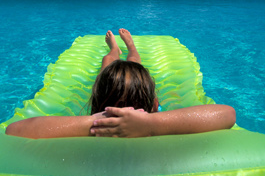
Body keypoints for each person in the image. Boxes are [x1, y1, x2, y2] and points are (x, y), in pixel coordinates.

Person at [5, 29, 236, 139]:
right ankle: (117, 48)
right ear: (156, 103)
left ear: (94, 103)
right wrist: (105, 123)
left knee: (112, 67)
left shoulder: (147, 121)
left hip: (120, 107)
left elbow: (14, 130)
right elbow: (227, 114)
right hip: (130, 109)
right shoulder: (152, 114)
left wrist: (148, 124)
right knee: (126, 65)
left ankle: (125, 47)